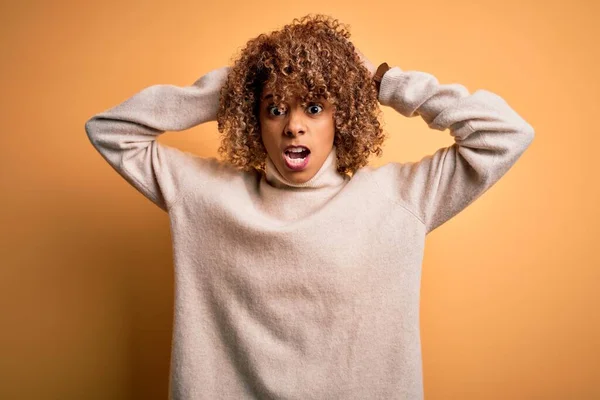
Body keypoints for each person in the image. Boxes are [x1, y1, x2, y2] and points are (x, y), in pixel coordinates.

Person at [85, 13, 534, 400]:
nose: (294, 126)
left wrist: (383, 80)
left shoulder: (399, 199)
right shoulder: (205, 196)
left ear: (342, 117)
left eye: (315, 107)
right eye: (275, 109)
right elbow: (110, 130)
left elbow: (505, 134)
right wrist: (237, 85)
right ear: (252, 120)